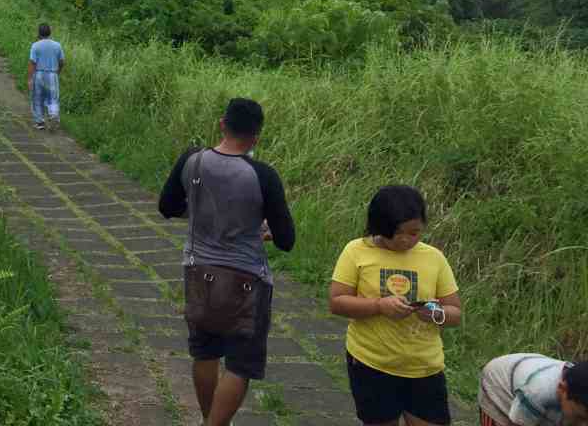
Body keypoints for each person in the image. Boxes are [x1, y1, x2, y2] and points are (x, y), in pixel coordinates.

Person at [158, 97, 296, 426]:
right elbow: (287, 239)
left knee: (204, 352)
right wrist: (261, 230)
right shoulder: (263, 175)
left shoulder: (191, 160)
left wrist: (201, 215)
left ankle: (210, 419)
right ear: (256, 137)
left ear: (223, 124)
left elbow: (167, 206)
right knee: (240, 363)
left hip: (198, 268)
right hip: (246, 277)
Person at [329, 185, 463, 426]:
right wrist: (379, 306)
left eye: (414, 233)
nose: (405, 240)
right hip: (371, 363)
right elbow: (337, 302)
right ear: (380, 227)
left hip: (424, 368)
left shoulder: (434, 258)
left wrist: (434, 313)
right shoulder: (356, 251)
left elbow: (454, 313)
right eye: (396, 233)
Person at [479, 355, 588, 426]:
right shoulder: (537, 393)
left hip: (526, 375)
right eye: (581, 417)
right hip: (498, 386)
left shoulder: (577, 387)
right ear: (562, 389)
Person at [26, 23, 65, 130]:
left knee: (37, 98)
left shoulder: (35, 45)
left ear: (39, 33)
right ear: (50, 32)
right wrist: (58, 72)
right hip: (52, 74)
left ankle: (40, 122)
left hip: (38, 74)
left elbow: (32, 63)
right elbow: (62, 61)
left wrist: (29, 79)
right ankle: (53, 115)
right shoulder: (57, 45)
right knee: (53, 98)